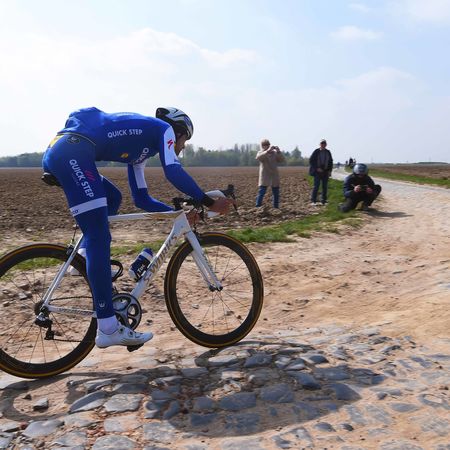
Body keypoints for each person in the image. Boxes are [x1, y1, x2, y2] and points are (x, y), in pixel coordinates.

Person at [42, 106, 233, 349]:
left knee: (113, 198)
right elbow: (173, 170)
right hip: (73, 152)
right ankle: (108, 328)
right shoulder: (164, 129)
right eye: (185, 139)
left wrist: (175, 214)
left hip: (65, 150)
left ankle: (84, 258)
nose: (183, 146)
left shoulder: (141, 151)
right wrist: (208, 201)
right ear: (178, 131)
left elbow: (141, 199)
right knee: (98, 236)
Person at [255, 139, 285, 208]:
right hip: (265, 175)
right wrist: (267, 151)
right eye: (264, 145)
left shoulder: (274, 153)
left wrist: (279, 152)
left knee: (276, 192)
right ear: (262, 146)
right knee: (262, 192)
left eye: (268, 144)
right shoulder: (260, 152)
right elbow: (258, 158)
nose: (266, 146)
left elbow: (282, 160)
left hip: (274, 175)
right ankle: (258, 206)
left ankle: (276, 207)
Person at [309, 139, 333, 205]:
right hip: (317, 172)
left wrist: (330, 171)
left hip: (325, 171)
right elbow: (311, 161)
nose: (323, 144)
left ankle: (324, 200)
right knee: (316, 186)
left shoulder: (328, 152)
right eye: (322, 143)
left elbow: (330, 162)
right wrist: (317, 168)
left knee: (325, 186)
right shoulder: (316, 151)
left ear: (326, 144)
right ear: (319, 144)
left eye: (324, 143)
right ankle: (313, 200)